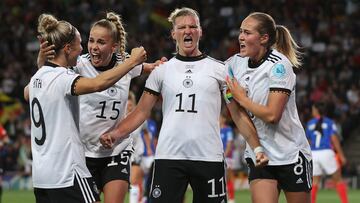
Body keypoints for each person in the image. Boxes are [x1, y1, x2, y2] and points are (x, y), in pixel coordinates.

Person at [100, 7, 268, 203]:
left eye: (192, 26)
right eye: (181, 27)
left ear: (200, 31)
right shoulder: (161, 71)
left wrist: (257, 148)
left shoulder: (220, 70)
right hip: (169, 157)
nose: (187, 31)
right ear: (173, 33)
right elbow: (140, 112)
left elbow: (237, 114)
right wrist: (115, 133)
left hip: (209, 158)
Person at [35, 12, 164, 203]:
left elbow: (145, 68)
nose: (94, 47)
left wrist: (157, 66)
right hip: (84, 153)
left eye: (101, 42)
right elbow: (48, 82)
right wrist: (40, 63)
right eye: (91, 40)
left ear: (114, 46)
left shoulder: (126, 64)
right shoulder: (78, 64)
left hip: (116, 150)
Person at [225, 12, 313, 203]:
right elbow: (237, 112)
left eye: (247, 33)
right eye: (240, 31)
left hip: (290, 154)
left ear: (264, 38)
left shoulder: (279, 66)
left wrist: (242, 99)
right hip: (261, 155)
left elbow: (273, 115)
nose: (241, 36)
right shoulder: (233, 65)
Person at [306, 102, 348, 203]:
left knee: (314, 182)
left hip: (314, 153)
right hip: (326, 152)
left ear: (316, 110)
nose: (312, 111)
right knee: (338, 179)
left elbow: (307, 142)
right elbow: (334, 139)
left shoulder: (310, 123)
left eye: (313, 109)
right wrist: (341, 155)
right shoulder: (329, 122)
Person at [126, 91, 151, 203]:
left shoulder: (139, 118)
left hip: (136, 154)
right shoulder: (119, 118)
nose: (129, 107)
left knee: (134, 182)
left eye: (131, 105)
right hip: (121, 155)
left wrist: (149, 147)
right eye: (127, 105)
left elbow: (145, 132)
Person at [219, 111, 235, 203]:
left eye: (220, 117)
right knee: (221, 178)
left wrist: (224, 155)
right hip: (218, 157)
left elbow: (229, 143)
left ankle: (232, 198)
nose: (218, 119)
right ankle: (223, 196)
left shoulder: (227, 129)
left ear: (224, 119)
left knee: (228, 177)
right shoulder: (216, 129)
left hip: (227, 157)